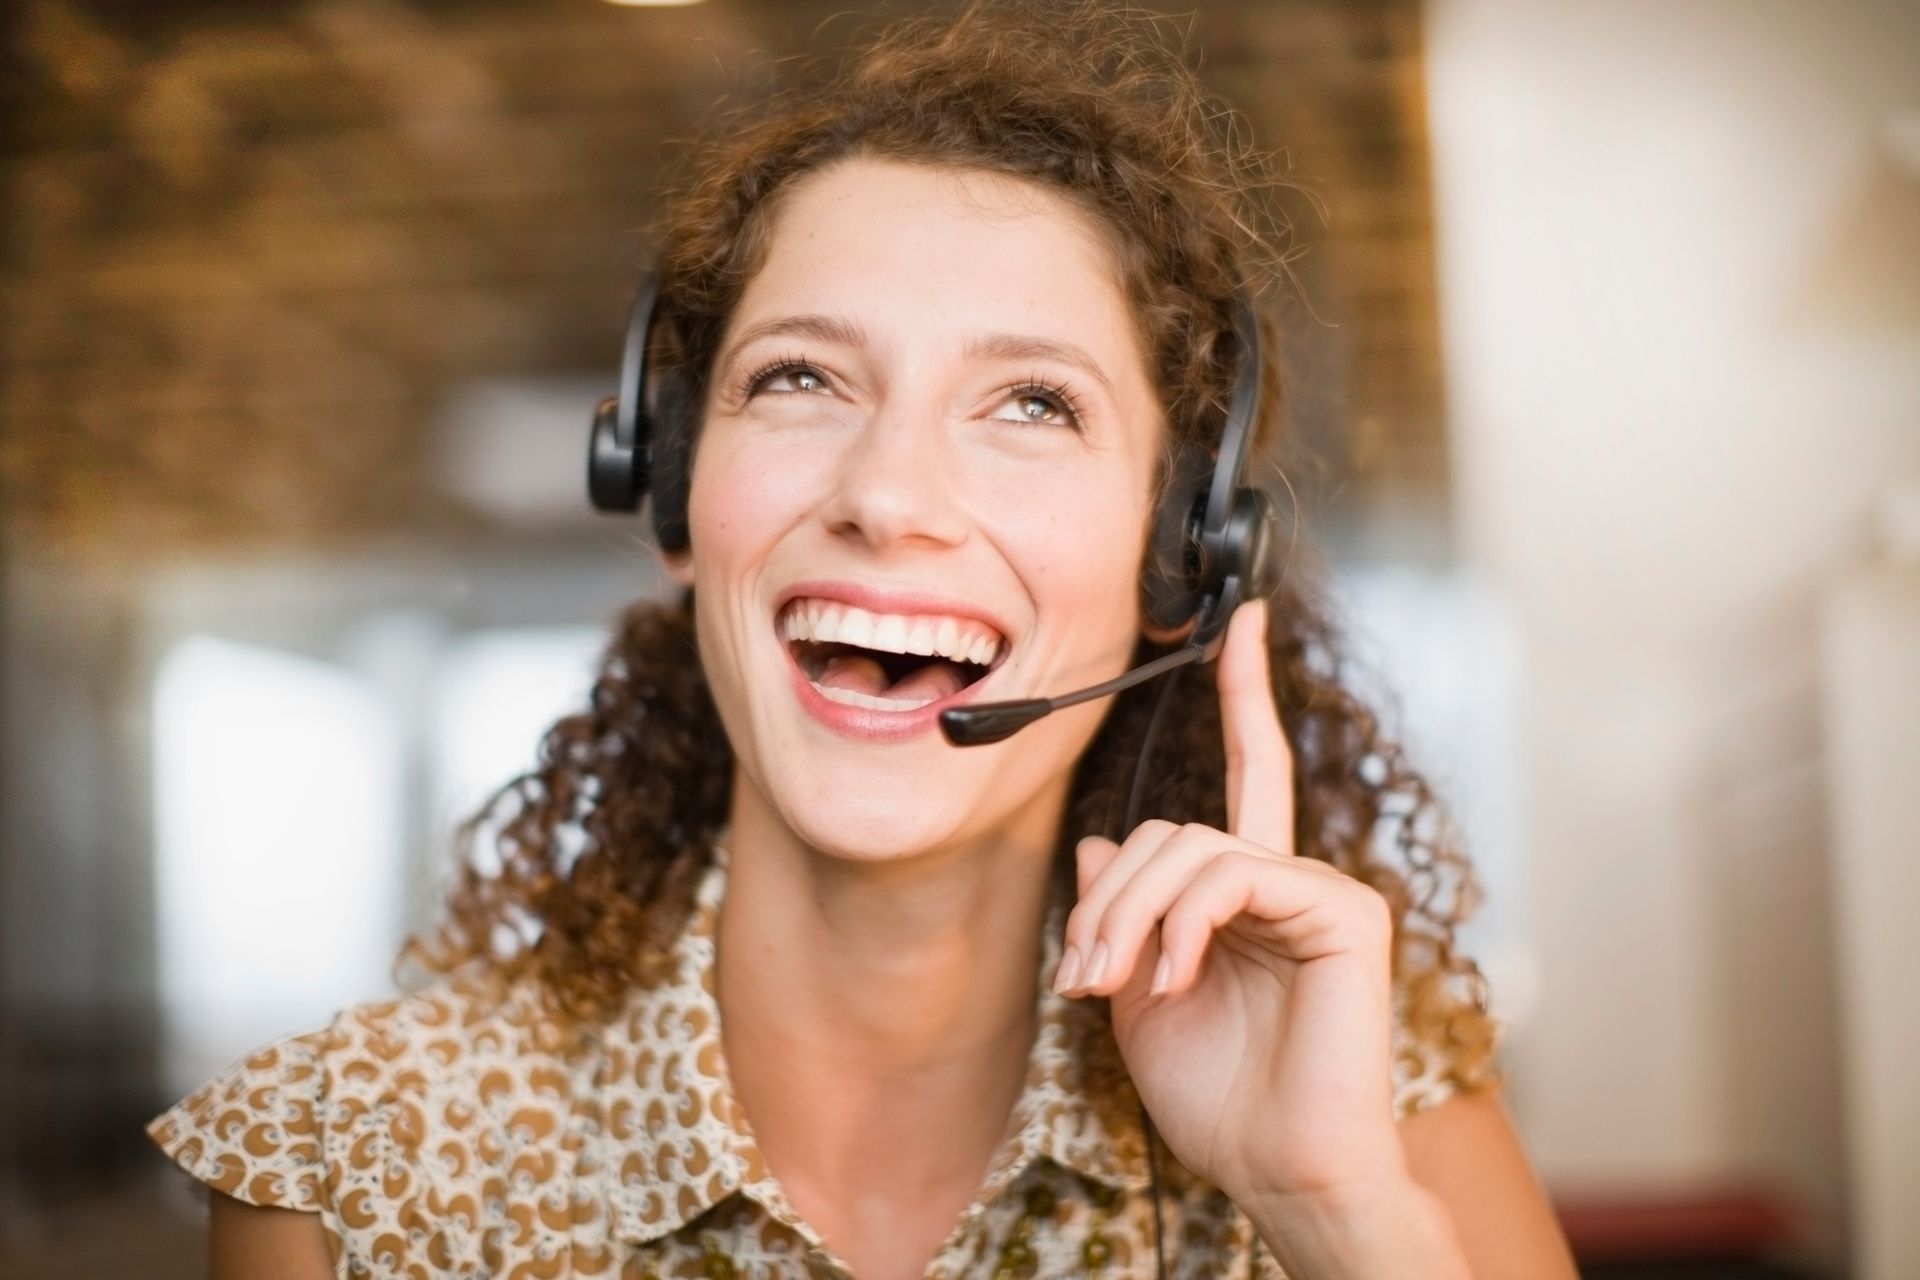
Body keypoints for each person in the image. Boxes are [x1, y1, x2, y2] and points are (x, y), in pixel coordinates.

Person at [148, 4, 1578, 1277]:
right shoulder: (358, 1173)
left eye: (1032, 403)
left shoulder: (1372, 1109)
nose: (888, 497)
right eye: (801, 378)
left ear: (1178, 556)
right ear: (673, 490)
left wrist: (1335, 1211)